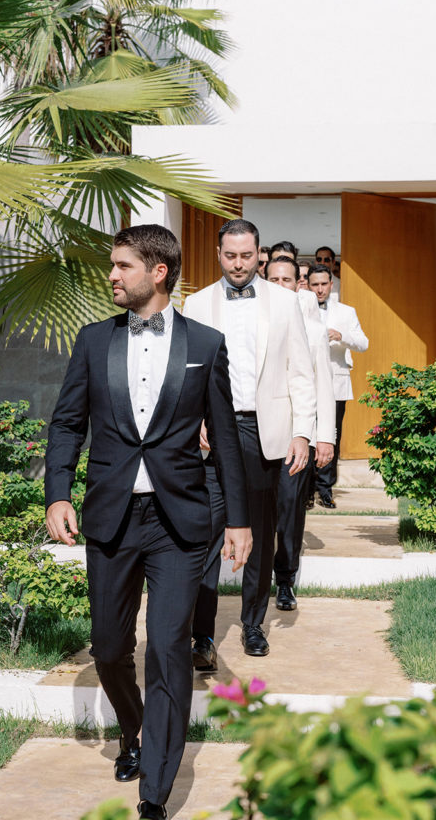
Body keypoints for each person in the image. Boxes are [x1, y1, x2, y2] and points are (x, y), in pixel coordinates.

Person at [44, 224, 252, 820]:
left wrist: (239, 520)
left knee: (167, 648)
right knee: (110, 648)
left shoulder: (205, 344)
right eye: (113, 265)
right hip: (111, 517)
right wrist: (58, 493)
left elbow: (227, 439)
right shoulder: (93, 341)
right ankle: (132, 729)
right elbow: (67, 423)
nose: (111, 275)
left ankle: (155, 791)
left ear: (158, 272)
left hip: (178, 520)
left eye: (122, 266)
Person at [183, 219, 315, 659]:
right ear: (218, 255)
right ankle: (202, 637)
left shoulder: (285, 301)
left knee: (259, 532)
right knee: (206, 533)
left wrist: (302, 432)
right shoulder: (196, 303)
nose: (238, 264)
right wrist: (192, 419)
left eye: (245, 256)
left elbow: (301, 371)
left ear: (258, 255)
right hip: (211, 436)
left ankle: (253, 624)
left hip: (263, 432)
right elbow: (186, 372)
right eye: (230, 255)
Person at [265, 257, 335, 610]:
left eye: (287, 280)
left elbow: (324, 384)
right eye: (274, 279)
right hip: (255, 434)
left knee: (290, 508)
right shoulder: (255, 321)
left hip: (297, 435)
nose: (280, 286)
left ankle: (285, 579)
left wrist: (325, 436)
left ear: (298, 285)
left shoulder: (314, 328)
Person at [307, 263, 368, 509]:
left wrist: (342, 336)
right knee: (307, 435)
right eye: (315, 284)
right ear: (308, 286)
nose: (320, 289)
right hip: (307, 385)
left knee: (332, 436)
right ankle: (306, 490)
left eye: (324, 284)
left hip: (336, 384)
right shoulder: (299, 309)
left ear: (331, 285)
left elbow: (363, 343)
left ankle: (325, 489)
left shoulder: (346, 312)